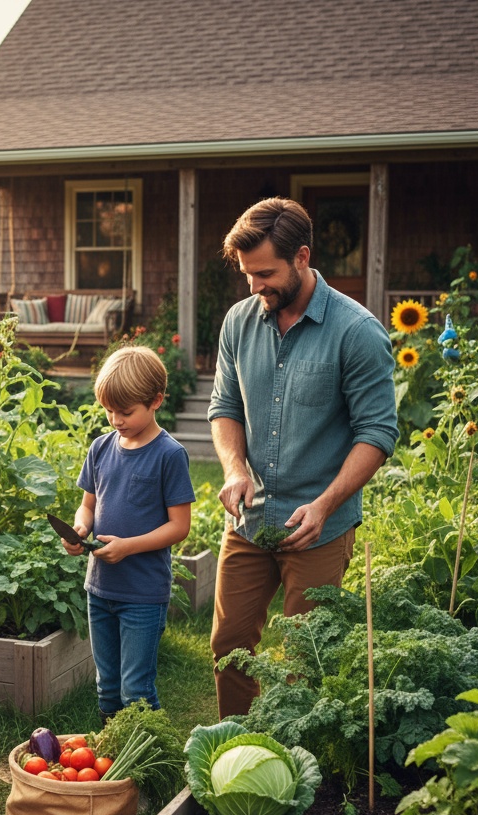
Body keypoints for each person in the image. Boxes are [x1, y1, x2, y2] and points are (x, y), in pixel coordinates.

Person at [207, 197, 399, 719]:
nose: (254, 286)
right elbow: (224, 407)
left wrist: (326, 503)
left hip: (317, 526)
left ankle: (294, 767)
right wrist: (234, 468)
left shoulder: (356, 332)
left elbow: (378, 433)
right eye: (247, 275)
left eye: (265, 273)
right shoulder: (238, 323)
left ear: (302, 257)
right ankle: (235, 751)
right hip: (248, 522)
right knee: (230, 645)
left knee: (303, 661)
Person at [61, 346, 194, 720]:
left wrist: (128, 548)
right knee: (107, 685)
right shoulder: (100, 448)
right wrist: (81, 527)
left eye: (125, 411)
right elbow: (87, 504)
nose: (115, 419)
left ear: (155, 401)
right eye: (109, 410)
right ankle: (112, 767)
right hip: (100, 587)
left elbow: (179, 526)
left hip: (142, 593)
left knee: (135, 688)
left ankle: (149, 762)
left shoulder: (169, 455)